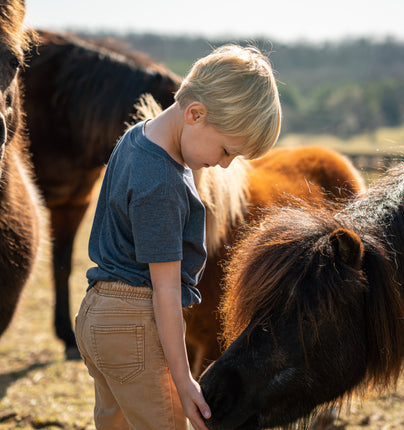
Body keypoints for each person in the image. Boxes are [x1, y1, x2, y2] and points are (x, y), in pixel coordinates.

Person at [75, 43, 281, 430]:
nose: (223, 164)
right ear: (195, 113)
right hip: (133, 320)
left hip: (97, 313)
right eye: (226, 150)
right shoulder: (163, 182)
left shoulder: (137, 137)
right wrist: (185, 380)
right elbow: (165, 290)